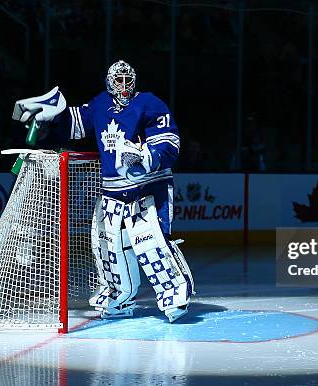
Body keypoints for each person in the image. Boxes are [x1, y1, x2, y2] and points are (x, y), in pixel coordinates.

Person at [11, 60, 194, 323]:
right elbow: (76, 124)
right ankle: (119, 297)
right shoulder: (99, 104)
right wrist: (49, 120)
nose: (123, 85)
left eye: (127, 80)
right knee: (109, 247)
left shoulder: (149, 103)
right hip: (112, 190)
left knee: (151, 243)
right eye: (117, 80)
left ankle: (175, 296)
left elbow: (170, 141)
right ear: (108, 82)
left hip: (147, 188)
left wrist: (146, 156)